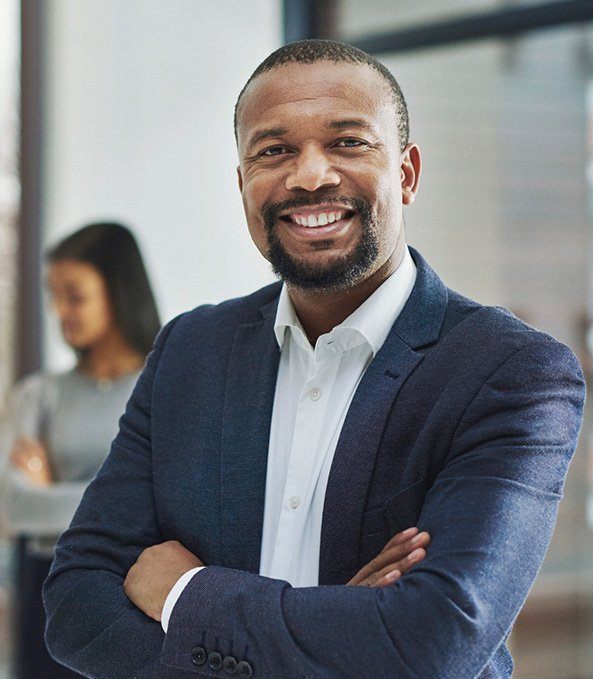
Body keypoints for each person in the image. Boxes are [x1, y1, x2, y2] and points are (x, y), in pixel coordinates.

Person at [43, 40, 585, 679]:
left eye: (349, 142)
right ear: (243, 183)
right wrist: (337, 627)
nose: (309, 175)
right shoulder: (189, 350)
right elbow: (75, 604)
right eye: (274, 151)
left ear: (406, 174)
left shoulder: (511, 370)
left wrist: (188, 595)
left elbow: (435, 639)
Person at [0, 222, 160, 678]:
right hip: (47, 593)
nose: (59, 310)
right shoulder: (38, 395)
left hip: (136, 598)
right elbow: (12, 508)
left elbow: (167, 501)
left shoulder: (166, 383)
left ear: (118, 290)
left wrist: (52, 492)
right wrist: (125, 505)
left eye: (74, 294)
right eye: (54, 294)